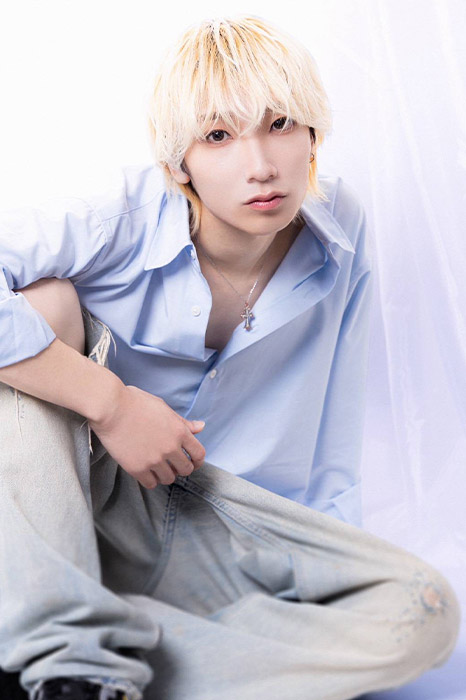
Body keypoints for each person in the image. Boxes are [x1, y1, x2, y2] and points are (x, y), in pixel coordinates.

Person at [0, 14, 460, 700]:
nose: (261, 165)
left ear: (313, 134)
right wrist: (112, 403)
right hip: (79, 504)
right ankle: (70, 655)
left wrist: (321, 568)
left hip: (224, 524)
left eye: (281, 124)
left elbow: (334, 428)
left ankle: (105, 648)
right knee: (45, 304)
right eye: (218, 136)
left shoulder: (340, 228)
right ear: (177, 162)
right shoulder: (115, 218)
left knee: (421, 609)